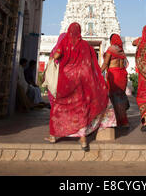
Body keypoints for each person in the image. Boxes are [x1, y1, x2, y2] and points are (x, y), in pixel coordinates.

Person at [45, 22, 116, 150]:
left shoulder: (64, 43)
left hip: (66, 81)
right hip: (81, 80)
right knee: (81, 107)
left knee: (60, 106)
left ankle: (53, 136)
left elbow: (56, 55)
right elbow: (91, 64)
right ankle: (83, 139)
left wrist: (51, 63)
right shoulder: (86, 46)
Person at [101, 33, 129, 128]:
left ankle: (121, 121)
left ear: (111, 40)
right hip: (123, 75)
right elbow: (125, 64)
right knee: (121, 96)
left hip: (115, 75)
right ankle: (123, 120)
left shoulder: (111, 49)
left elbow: (105, 64)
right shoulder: (122, 51)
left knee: (115, 98)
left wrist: (97, 72)